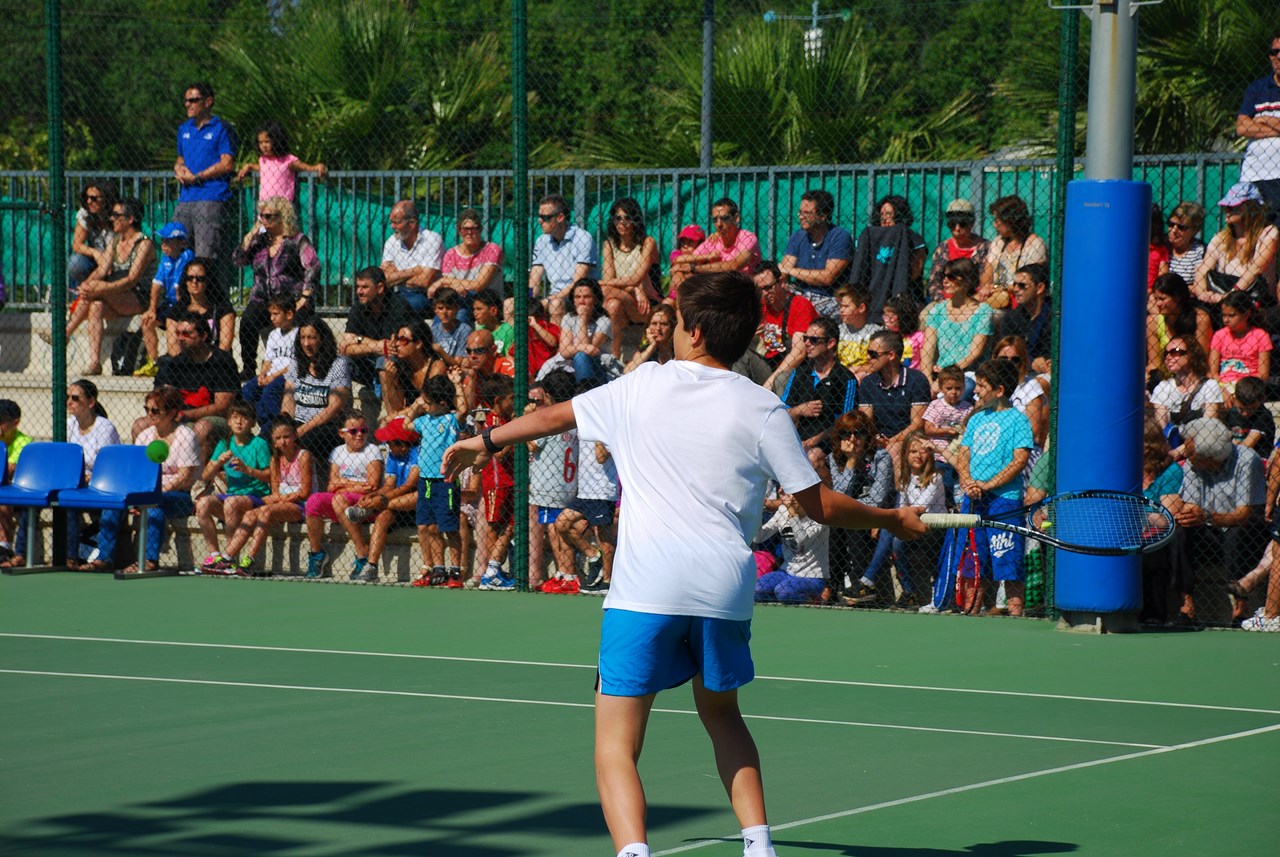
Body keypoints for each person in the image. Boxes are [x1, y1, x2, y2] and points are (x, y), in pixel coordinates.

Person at [440, 270, 925, 857]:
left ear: (693, 332)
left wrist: (482, 443)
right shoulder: (765, 406)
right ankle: (758, 845)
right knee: (722, 715)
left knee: (616, 744)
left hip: (646, 587)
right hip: (724, 587)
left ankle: (634, 852)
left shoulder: (640, 385)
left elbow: (550, 418)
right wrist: (890, 518)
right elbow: (818, 503)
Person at [953, 358, 1035, 616]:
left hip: (1005, 501)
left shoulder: (1018, 420)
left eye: (981, 385)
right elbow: (963, 453)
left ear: (999, 390)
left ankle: (1016, 616)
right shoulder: (976, 419)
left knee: (1008, 562)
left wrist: (988, 485)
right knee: (972, 564)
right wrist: (967, 481)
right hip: (973, 499)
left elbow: (1019, 460)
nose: (976, 390)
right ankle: (970, 614)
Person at [88, 386, 199, 574]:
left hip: (179, 495)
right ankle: (103, 558)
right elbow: (136, 472)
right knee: (113, 504)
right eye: (147, 409)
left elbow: (184, 477)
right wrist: (136, 497)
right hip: (147, 491)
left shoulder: (186, 436)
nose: (149, 414)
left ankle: (149, 560)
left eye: (155, 410)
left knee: (154, 504)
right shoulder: (145, 436)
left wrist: (152, 495)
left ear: (172, 412)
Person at [13, 381, 119, 569]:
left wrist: (86, 478)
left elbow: (109, 465)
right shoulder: (68, 424)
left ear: (91, 402)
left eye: (75, 398)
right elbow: (61, 459)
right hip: (74, 482)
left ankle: (91, 559)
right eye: (67, 397)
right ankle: (22, 554)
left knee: (76, 501)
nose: (69, 402)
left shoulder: (104, 427)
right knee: (36, 500)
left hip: (99, 483)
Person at [1176, 417, 1268, 618]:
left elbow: (1244, 514)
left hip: (1246, 528)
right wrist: (1190, 515)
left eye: (1191, 453)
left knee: (1236, 533)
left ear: (1209, 458)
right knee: (1180, 532)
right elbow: (1191, 506)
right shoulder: (1192, 464)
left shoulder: (1247, 460)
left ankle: (1239, 605)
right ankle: (1187, 603)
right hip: (1209, 526)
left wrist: (1207, 516)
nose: (1185, 455)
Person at [848, 431, 946, 607]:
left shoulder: (935, 477)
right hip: (911, 526)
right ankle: (906, 592)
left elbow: (921, 507)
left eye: (923, 451)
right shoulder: (905, 478)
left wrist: (895, 517)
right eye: (913, 451)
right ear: (905, 455)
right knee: (893, 537)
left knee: (894, 536)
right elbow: (901, 507)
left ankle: (871, 581)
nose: (918, 456)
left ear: (930, 454)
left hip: (932, 528)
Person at [66, 196, 156, 376]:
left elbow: (132, 279)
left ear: (130, 219)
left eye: (116, 215)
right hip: (116, 296)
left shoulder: (144, 244)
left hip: (138, 296)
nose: (111, 219)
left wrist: (101, 288)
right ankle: (94, 362)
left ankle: (65, 334)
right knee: (96, 305)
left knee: (97, 293)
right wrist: (87, 284)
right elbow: (102, 270)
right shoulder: (115, 241)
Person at [232, 195, 320, 377]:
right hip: (262, 298)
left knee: (301, 323)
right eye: (261, 216)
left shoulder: (297, 240)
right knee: (247, 321)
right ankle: (249, 368)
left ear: (283, 217)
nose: (263, 220)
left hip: (291, 299)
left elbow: (312, 266)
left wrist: (305, 296)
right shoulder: (259, 241)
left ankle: (303, 366)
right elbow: (238, 260)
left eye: (268, 216)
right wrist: (251, 234)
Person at [814, 410, 896, 600]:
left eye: (858, 433)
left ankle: (861, 583)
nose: (852, 439)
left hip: (874, 512)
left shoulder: (881, 457)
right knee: (834, 523)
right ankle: (833, 584)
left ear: (867, 435)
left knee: (852, 522)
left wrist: (850, 507)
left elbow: (877, 498)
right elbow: (839, 495)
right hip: (846, 512)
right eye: (846, 434)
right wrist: (851, 461)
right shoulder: (835, 458)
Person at [220, 416, 314, 575]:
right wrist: (273, 500)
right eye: (278, 438)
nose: (283, 442)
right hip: (281, 502)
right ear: (274, 441)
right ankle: (227, 558)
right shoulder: (275, 460)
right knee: (250, 514)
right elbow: (275, 492)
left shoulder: (303, 456)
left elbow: (304, 492)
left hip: (301, 505)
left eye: (286, 437)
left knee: (265, 511)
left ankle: (250, 559)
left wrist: (279, 499)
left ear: (294, 437)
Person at [302, 412, 384, 579]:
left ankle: (362, 552)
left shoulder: (372, 450)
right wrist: (354, 485)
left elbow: (372, 486)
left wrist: (343, 484)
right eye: (353, 431)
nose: (359, 434)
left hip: (364, 504)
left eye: (363, 430)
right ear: (342, 433)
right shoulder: (337, 452)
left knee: (339, 499)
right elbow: (331, 486)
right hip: (342, 502)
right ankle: (317, 554)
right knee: (313, 500)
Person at [172, 82, 237, 287]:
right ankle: (181, 297)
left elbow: (227, 163)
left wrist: (198, 177)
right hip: (186, 198)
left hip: (210, 197)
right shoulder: (184, 129)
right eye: (186, 100)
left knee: (205, 255)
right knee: (175, 248)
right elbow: (180, 158)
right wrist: (179, 169)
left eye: (193, 100)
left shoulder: (221, 128)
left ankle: (211, 300)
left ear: (208, 102)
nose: (188, 104)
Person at [194, 401, 271, 573]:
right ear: (228, 421)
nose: (239, 422)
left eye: (244, 418)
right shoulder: (225, 444)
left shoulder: (259, 444)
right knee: (202, 503)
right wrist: (218, 463)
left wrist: (247, 470)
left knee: (231, 503)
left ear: (252, 423)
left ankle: (229, 557)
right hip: (232, 495)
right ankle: (215, 555)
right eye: (235, 417)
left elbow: (269, 475)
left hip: (255, 495)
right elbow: (205, 476)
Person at [148, 310, 240, 455]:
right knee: (140, 425)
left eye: (186, 334)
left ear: (203, 336)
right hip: (179, 417)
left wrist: (186, 414)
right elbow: (163, 397)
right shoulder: (176, 363)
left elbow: (222, 407)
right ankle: (153, 468)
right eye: (178, 333)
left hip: (217, 420)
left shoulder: (222, 362)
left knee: (202, 427)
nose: (180, 338)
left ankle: (195, 470)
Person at [345, 416, 422, 584]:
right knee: (383, 517)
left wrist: (382, 499)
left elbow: (409, 485)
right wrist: (374, 495)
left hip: (415, 504)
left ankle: (371, 508)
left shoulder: (417, 453)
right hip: (395, 504)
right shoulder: (394, 456)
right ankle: (371, 566)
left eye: (390, 443)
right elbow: (389, 485)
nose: (387, 445)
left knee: (416, 495)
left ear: (403, 446)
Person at [405, 376, 466, 588]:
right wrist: (416, 405)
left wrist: (457, 384)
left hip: (445, 481)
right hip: (426, 481)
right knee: (428, 526)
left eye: (428, 403)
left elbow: (464, 410)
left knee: (449, 526)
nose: (425, 406)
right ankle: (438, 568)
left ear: (442, 403)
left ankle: (456, 570)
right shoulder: (424, 420)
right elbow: (406, 424)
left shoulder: (450, 420)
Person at [525, 371, 579, 591]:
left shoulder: (549, 417)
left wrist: (526, 420)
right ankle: (564, 573)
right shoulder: (573, 416)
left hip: (548, 486)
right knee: (559, 528)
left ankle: (567, 574)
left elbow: (532, 445)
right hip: (568, 484)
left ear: (548, 395)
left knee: (554, 530)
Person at [1191, 182, 1279, 306]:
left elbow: (1256, 269)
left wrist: (1230, 296)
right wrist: (1203, 294)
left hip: (1254, 300)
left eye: (1232, 207)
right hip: (1221, 296)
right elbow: (1203, 270)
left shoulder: (1268, 233)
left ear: (1251, 208)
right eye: (1226, 206)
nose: (1227, 210)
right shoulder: (1220, 238)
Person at [780, 318, 858, 457]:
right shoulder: (800, 372)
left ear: (831, 343)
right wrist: (799, 410)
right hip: (798, 438)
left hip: (830, 442)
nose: (807, 343)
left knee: (813, 456)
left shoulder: (846, 379)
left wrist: (811, 442)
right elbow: (781, 413)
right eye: (805, 338)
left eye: (814, 340)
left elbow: (845, 423)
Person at [918, 257, 993, 392]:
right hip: (940, 373)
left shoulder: (983, 311)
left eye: (951, 276)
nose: (945, 280)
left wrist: (947, 376)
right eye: (943, 275)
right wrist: (928, 381)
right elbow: (927, 349)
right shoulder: (937, 310)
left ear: (966, 281)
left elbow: (974, 353)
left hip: (969, 374)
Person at [599, 197, 662, 357]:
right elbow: (609, 280)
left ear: (635, 219)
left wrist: (635, 284)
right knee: (612, 305)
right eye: (618, 218)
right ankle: (615, 357)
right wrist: (635, 288)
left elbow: (636, 277)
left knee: (605, 291)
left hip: (646, 305)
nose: (622, 222)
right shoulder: (609, 245)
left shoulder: (647, 242)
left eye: (627, 218)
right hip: (623, 301)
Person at [284, 318, 352, 463]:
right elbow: (288, 400)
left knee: (305, 441)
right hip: (297, 423)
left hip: (325, 426)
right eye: (303, 337)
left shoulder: (338, 364)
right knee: (267, 438)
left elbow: (334, 407)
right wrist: (285, 426)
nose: (306, 343)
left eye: (312, 338)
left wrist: (301, 430)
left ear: (322, 339)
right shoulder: (296, 363)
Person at [857, 330, 931, 463]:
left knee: (893, 450)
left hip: (908, 439)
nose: (867, 358)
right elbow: (866, 420)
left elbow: (917, 424)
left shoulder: (917, 380)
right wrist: (877, 438)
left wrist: (890, 442)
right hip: (876, 438)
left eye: (873, 354)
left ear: (891, 355)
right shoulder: (868, 383)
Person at [848, 194, 926, 319]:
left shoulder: (913, 239)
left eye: (889, 214)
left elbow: (914, 273)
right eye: (882, 214)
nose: (884, 218)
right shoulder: (870, 238)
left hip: (903, 296)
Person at [778, 188, 853, 318]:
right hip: (801, 293)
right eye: (800, 212)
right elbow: (783, 272)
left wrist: (790, 270)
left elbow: (827, 277)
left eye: (807, 213)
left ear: (822, 216)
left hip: (829, 298)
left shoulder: (839, 236)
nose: (801, 217)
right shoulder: (798, 236)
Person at [338, 265, 412, 393]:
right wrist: (377, 346)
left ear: (380, 288)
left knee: (384, 362)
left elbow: (391, 348)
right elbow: (345, 347)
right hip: (365, 363)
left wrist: (359, 340)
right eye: (358, 287)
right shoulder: (358, 306)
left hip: (397, 364)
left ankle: (389, 406)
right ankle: (345, 406)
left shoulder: (399, 306)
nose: (359, 292)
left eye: (365, 287)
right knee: (341, 363)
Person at [528, 193, 598, 324]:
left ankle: (557, 338)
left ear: (560, 217)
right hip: (555, 295)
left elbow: (578, 283)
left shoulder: (583, 238)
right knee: (511, 304)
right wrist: (529, 298)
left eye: (545, 217)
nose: (539, 221)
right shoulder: (541, 241)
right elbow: (534, 279)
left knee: (555, 304)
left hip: (579, 295)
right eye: (539, 216)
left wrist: (548, 300)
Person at [135, 222, 194, 376]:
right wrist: (152, 310)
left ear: (181, 243)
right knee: (147, 321)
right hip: (169, 302)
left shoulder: (187, 256)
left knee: (171, 321)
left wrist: (179, 313)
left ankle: (175, 364)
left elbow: (179, 289)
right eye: (162, 241)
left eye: (168, 241)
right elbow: (156, 285)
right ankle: (154, 362)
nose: (163, 245)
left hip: (184, 303)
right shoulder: (166, 258)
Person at [669, 197, 761, 293]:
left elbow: (734, 265)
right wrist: (678, 274)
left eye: (724, 218)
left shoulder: (748, 238)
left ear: (736, 218)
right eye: (715, 220)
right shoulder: (713, 241)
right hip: (718, 292)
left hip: (744, 291)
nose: (719, 224)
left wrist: (693, 268)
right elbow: (686, 261)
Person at [1235, 33, 1280, 226]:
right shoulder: (1258, 88)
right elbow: (1242, 127)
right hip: (1253, 174)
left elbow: (1250, 124)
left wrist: (1264, 119)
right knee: (1251, 231)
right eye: (1275, 52)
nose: (1279, 56)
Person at [753, 490, 829, 605]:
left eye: (793, 492)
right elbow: (758, 538)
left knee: (783, 591)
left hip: (812, 577)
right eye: (786, 493)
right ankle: (786, 599)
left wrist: (792, 513)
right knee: (757, 590)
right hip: (786, 572)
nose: (790, 497)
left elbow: (800, 540)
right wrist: (757, 510)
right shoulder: (782, 511)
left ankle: (813, 600)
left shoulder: (819, 514)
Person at [234, 120, 327, 206]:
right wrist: (249, 166)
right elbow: (265, 169)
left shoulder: (288, 160)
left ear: (277, 140)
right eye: (260, 142)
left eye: (267, 142)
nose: (263, 146)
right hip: (265, 207)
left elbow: (306, 167)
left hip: (282, 207)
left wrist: (318, 167)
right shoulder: (263, 160)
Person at [1150, 337, 1224, 442]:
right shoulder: (1163, 387)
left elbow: (1208, 428)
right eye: (1166, 353)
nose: (1168, 357)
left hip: (1201, 444)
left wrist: (1184, 449)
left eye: (1175, 352)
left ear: (1191, 355)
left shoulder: (1209, 386)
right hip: (1170, 444)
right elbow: (1162, 427)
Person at [1146, 272, 1213, 387]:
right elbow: (1154, 363)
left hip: (1192, 376)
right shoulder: (1153, 322)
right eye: (1156, 299)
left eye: (1162, 299)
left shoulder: (1200, 319)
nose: (1158, 304)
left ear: (1177, 297)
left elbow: (1201, 359)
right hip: (1165, 378)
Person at [241, 294, 298, 428]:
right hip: (271, 374)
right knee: (248, 390)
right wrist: (262, 374)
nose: (272, 318)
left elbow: (295, 364)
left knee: (269, 391)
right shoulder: (273, 334)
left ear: (289, 314)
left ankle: (272, 427)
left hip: (287, 375)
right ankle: (256, 422)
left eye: (276, 314)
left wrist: (272, 377)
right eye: (271, 314)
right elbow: (267, 360)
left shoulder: (298, 334)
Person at [164, 256, 235, 359]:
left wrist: (208, 363)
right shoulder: (177, 310)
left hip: (215, 363)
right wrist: (185, 364)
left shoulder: (223, 309)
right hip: (184, 363)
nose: (194, 282)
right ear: (185, 281)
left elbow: (225, 345)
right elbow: (172, 345)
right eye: (190, 278)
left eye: (200, 279)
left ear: (208, 281)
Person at [755, 261, 818, 377]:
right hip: (767, 363)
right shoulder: (761, 305)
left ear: (781, 282)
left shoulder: (800, 305)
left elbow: (799, 353)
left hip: (792, 368)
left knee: (781, 379)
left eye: (768, 288)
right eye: (760, 289)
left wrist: (772, 379)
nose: (764, 293)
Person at [380, 199, 443, 316]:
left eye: (396, 222)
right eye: (391, 222)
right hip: (400, 293)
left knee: (403, 307)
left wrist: (397, 276)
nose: (392, 226)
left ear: (412, 223)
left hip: (426, 295)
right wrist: (415, 271)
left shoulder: (432, 239)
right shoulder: (391, 241)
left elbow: (425, 281)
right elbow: (384, 279)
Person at [979, 195, 1047, 302]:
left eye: (997, 221)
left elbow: (1027, 284)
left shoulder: (1035, 244)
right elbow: (986, 278)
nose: (994, 225)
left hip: (1023, 300)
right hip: (997, 297)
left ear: (1009, 221)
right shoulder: (998, 242)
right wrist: (990, 287)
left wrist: (999, 287)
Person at [1209, 290, 1272, 402]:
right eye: (1224, 315)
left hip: (1249, 387)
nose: (1226, 320)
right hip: (1223, 386)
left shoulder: (1261, 336)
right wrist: (1221, 389)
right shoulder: (1219, 335)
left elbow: (1263, 374)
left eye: (1231, 315)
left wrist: (1242, 391)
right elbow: (1212, 372)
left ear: (1246, 315)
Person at [436, 208, 504, 309]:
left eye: (473, 229)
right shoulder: (451, 254)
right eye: (465, 229)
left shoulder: (492, 249)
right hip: (459, 299)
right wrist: (452, 284)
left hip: (487, 302)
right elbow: (447, 285)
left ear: (480, 230)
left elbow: (479, 285)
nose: (469, 233)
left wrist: (445, 282)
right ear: (459, 231)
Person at [926, 199, 990, 302]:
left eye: (963, 224)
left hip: (975, 301)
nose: (957, 229)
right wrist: (944, 303)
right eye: (952, 224)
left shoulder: (985, 248)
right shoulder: (943, 248)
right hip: (945, 302)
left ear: (972, 223)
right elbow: (934, 282)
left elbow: (986, 283)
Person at [383, 319, 449, 418]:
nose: (397, 344)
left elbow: (425, 405)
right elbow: (397, 406)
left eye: (403, 340)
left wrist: (394, 416)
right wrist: (390, 380)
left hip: (434, 418)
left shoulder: (436, 366)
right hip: (410, 417)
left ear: (418, 344)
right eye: (397, 339)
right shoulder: (402, 367)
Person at [992, 336, 1049, 451]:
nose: (1009, 363)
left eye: (1015, 360)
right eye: (1003, 359)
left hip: (1021, 446)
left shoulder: (1031, 386)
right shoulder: (988, 384)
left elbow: (1033, 429)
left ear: (1023, 361)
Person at [555, 278, 614, 382]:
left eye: (586, 297)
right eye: (577, 297)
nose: (581, 301)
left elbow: (588, 352)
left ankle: (584, 388)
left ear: (595, 299)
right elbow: (564, 351)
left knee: (581, 356)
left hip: (598, 367)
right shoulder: (568, 318)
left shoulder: (604, 321)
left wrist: (583, 318)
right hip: (570, 365)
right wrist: (581, 347)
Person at [66, 180, 118, 300]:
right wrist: (95, 253)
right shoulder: (85, 213)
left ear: (106, 198)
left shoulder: (117, 214)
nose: (89, 202)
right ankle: (78, 297)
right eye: (87, 198)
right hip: (95, 259)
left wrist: (106, 260)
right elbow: (77, 244)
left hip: (114, 258)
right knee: (76, 262)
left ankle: (89, 294)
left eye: (94, 198)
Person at [998, 263, 1053, 372]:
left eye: (1022, 285)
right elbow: (1004, 349)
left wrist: (1044, 359)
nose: (1015, 289)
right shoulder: (1011, 317)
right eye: (1014, 284)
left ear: (1040, 288)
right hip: (1016, 369)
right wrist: (1031, 362)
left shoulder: (1054, 316)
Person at [0, 400, 33, 562]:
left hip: (18, 489)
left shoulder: (24, 442)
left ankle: (4, 548)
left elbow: (8, 471)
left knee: (3, 498)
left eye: (1, 421)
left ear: (15, 423)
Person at [460, 329, 515, 416]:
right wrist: (472, 378)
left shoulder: (508, 369)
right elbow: (469, 411)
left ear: (493, 349)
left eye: (479, 351)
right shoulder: (474, 373)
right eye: (469, 351)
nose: (472, 356)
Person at [1224, 375, 1275, 453]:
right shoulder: (1232, 412)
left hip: (1256, 456)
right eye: (1241, 409)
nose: (1245, 413)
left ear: (1261, 400)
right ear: (1235, 399)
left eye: (1251, 409)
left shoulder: (1263, 415)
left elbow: (1247, 445)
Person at [624, 305, 676, 374]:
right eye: (654, 323)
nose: (658, 328)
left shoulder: (677, 351)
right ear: (648, 327)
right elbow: (627, 372)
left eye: (664, 324)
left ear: (671, 328)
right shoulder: (644, 351)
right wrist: (652, 346)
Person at [430, 287, 472, 369]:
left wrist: (440, 350)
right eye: (440, 308)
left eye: (449, 308)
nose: (444, 312)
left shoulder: (464, 330)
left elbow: (458, 363)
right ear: (435, 310)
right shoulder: (433, 330)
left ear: (457, 308)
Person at [1166, 202, 1208, 283]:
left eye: (1181, 227)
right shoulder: (1162, 246)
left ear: (1194, 230)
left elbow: (1199, 286)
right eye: (1171, 224)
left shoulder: (1199, 252)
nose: (1174, 230)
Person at [881, 294, 922, 369]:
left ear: (903, 317)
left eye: (891, 316)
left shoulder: (919, 336)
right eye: (885, 315)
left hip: (913, 372)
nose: (886, 320)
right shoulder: (884, 336)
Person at [470, 290, 514, 356]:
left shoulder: (508, 331)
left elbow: (509, 357)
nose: (475, 313)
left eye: (479, 309)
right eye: (474, 309)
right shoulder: (479, 330)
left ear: (493, 310)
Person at [1148, 203, 1172, 289]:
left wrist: (1152, 291)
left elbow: (1162, 276)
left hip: (1151, 291)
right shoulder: (1130, 246)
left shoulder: (1161, 249)